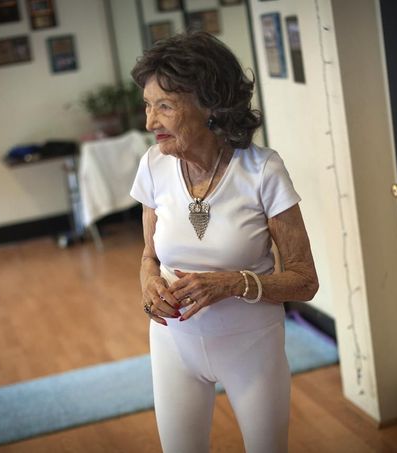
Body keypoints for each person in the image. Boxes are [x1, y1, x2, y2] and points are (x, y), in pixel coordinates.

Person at [129, 32, 319, 453]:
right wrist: (149, 287)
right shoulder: (153, 166)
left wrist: (231, 283)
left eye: (164, 106)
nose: (149, 122)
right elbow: (148, 255)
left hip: (251, 348)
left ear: (210, 104)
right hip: (172, 346)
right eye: (147, 105)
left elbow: (305, 281)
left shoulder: (262, 170)